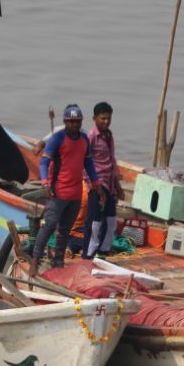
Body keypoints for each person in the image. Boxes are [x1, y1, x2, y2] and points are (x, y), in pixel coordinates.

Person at [33, 105, 101, 271]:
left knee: (64, 230)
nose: (75, 125)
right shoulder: (57, 138)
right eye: (71, 121)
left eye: (77, 121)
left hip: (76, 194)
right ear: (65, 121)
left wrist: (96, 183)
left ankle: (58, 261)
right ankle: (35, 260)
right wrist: (44, 182)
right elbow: (44, 162)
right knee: (49, 225)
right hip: (58, 192)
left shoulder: (84, 139)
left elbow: (89, 163)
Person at [81, 103, 121, 260]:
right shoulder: (91, 137)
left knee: (111, 222)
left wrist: (118, 185)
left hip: (109, 185)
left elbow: (112, 161)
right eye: (103, 118)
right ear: (94, 118)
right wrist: (93, 185)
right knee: (94, 224)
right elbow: (84, 163)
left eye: (109, 118)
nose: (106, 122)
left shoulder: (109, 136)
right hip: (97, 185)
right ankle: (88, 256)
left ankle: (103, 253)